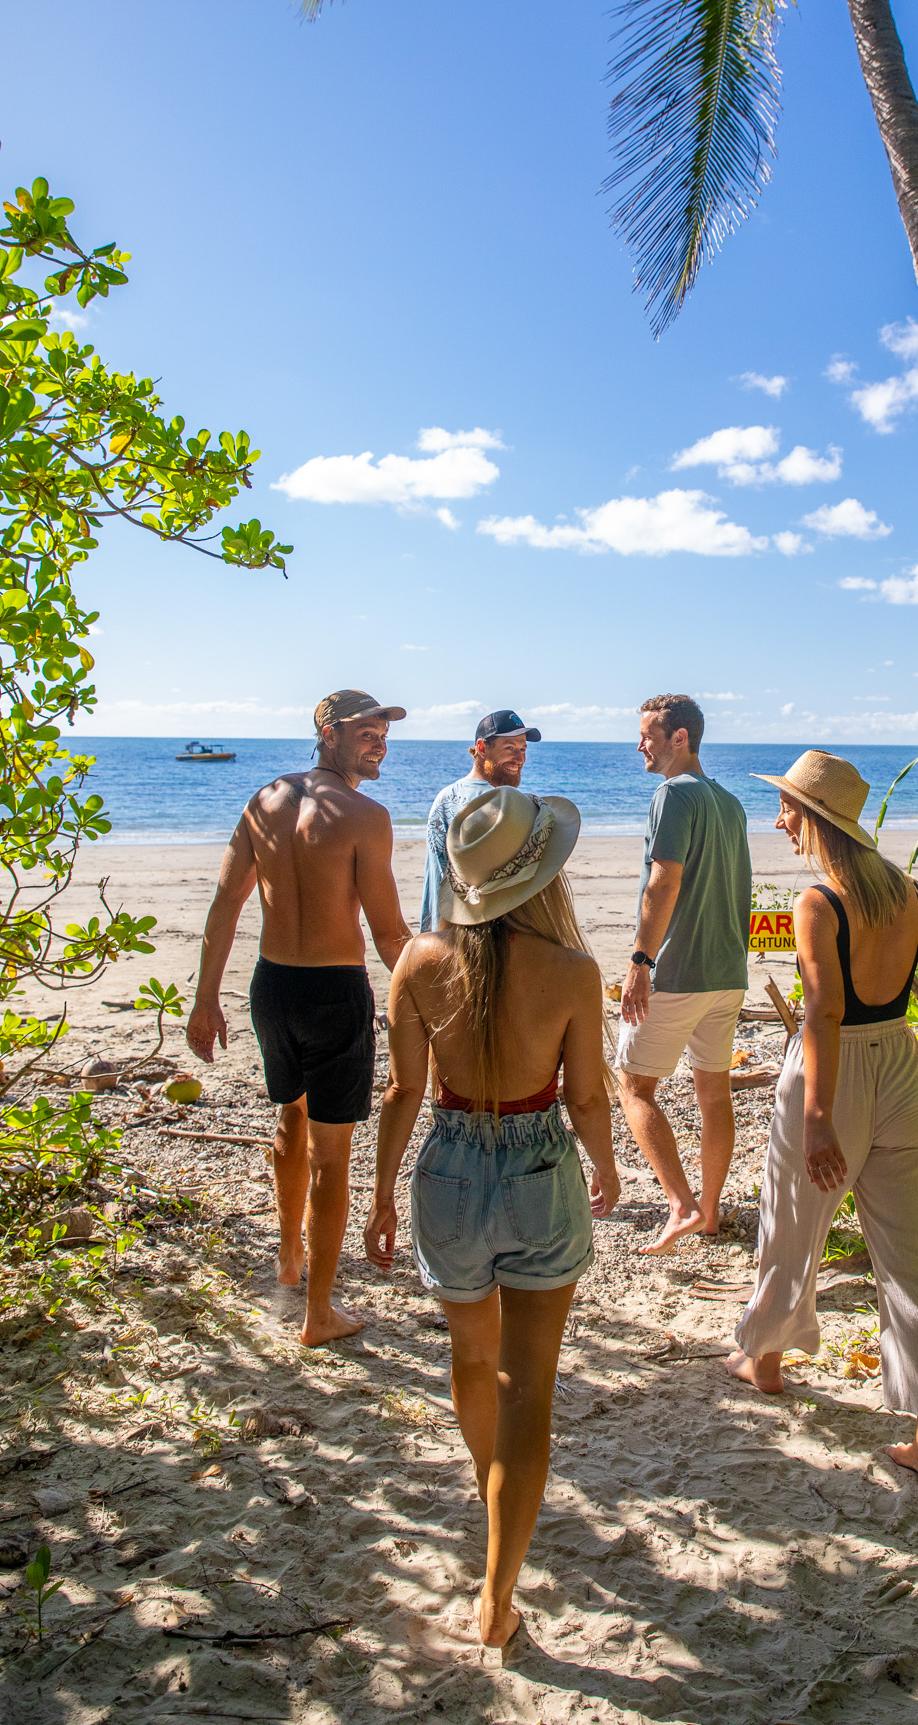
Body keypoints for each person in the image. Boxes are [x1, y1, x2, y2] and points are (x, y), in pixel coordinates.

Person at [364, 785, 619, 1651]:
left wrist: (378, 1194)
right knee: (529, 1389)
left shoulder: (418, 961)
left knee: (471, 1358)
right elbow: (585, 1095)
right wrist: (611, 1165)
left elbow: (400, 1091)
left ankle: (491, 1491)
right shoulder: (573, 970)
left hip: (446, 1163)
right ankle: (496, 1595)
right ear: (541, 875)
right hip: (538, 1164)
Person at [727, 751, 918, 1497]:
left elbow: (825, 1012)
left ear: (813, 820)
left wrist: (820, 1114)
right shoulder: (912, 893)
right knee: (916, 1258)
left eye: (787, 809)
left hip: (831, 1072)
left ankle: (764, 1360)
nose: (778, 819)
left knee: (792, 1224)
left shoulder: (817, 902)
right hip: (898, 1060)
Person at [186, 690, 413, 1348]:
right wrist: (431, 998)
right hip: (334, 992)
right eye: (367, 733)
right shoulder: (365, 817)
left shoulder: (264, 800)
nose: (379, 744)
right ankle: (318, 1312)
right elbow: (390, 934)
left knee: (291, 1117)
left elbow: (226, 904)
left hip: (271, 988)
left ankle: (289, 1258)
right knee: (332, 1157)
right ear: (329, 731)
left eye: (382, 734)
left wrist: (206, 999)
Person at [615, 693, 751, 1255]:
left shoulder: (673, 793)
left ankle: (681, 1205)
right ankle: (711, 1212)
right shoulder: (729, 802)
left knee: (633, 1085)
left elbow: (663, 881)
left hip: (678, 971)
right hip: (727, 971)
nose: (639, 744)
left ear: (680, 738)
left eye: (648, 734)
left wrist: (640, 962)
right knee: (713, 1092)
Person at [420, 709, 542, 930]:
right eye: (510, 748)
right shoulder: (509, 805)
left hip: (444, 931)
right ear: (482, 747)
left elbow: (438, 876)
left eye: (523, 749)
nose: (520, 758)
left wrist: (433, 936)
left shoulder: (445, 797)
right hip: (486, 937)